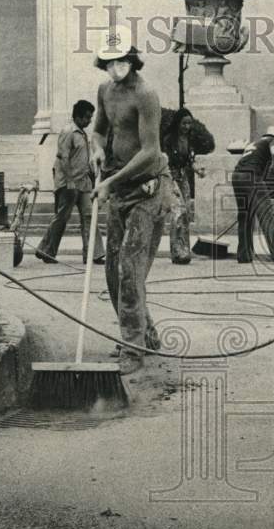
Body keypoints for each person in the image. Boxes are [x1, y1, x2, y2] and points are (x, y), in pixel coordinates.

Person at [89, 25, 173, 376]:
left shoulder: (146, 94)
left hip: (148, 190)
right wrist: (96, 150)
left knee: (130, 269)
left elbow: (151, 152)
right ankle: (145, 335)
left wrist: (110, 181)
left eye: (121, 61)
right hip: (118, 190)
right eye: (108, 62)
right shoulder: (105, 90)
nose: (114, 69)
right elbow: (98, 129)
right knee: (113, 272)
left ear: (132, 59)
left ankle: (133, 347)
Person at [35, 99, 105, 266]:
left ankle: (93, 254)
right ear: (78, 117)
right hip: (69, 183)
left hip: (84, 182)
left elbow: (80, 157)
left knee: (89, 215)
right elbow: (63, 157)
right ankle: (46, 250)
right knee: (62, 217)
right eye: (87, 117)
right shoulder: (68, 132)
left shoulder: (82, 133)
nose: (89, 120)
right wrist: (70, 180)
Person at [231, 125, 274, 264]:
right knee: (267, 216)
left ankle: (244, 255)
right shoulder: (272, 141)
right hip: (251, 177)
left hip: (237, 177)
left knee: (245, 217)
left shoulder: (255, 143)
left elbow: (259, 164)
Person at [163, 107, 215, 264]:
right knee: (178, 212)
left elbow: (190, 161)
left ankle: (184, 250)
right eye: (184, 123)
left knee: (186, 215)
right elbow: (165, 161)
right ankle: (177, 251)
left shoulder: (189, 140)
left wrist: (198, 169)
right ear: (178, 123)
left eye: (189, 123)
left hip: (183, 178)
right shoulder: (168, 140)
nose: (187, 127)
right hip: (171, 176)